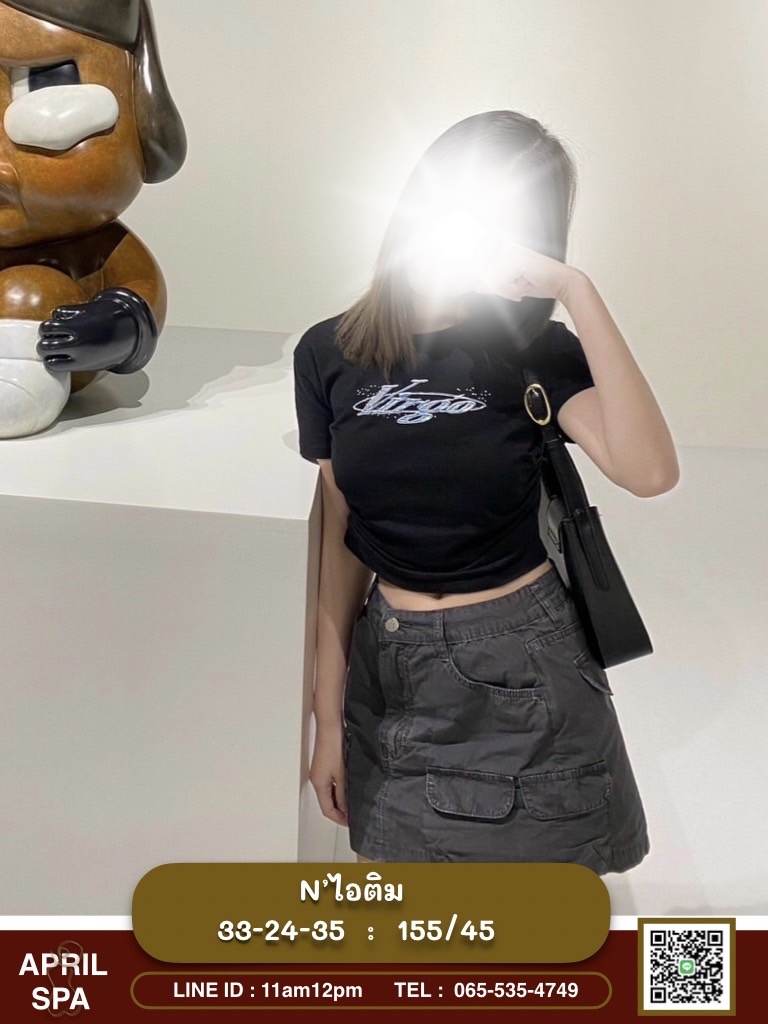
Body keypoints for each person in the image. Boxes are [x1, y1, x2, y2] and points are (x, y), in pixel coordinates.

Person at [293, 110, 678, 871]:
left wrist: (575, 290)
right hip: (389, 670)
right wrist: (327, 720)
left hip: (522, 667)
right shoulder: (328, 352)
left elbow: (649, 472)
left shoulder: (535, 352)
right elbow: (341, 544)